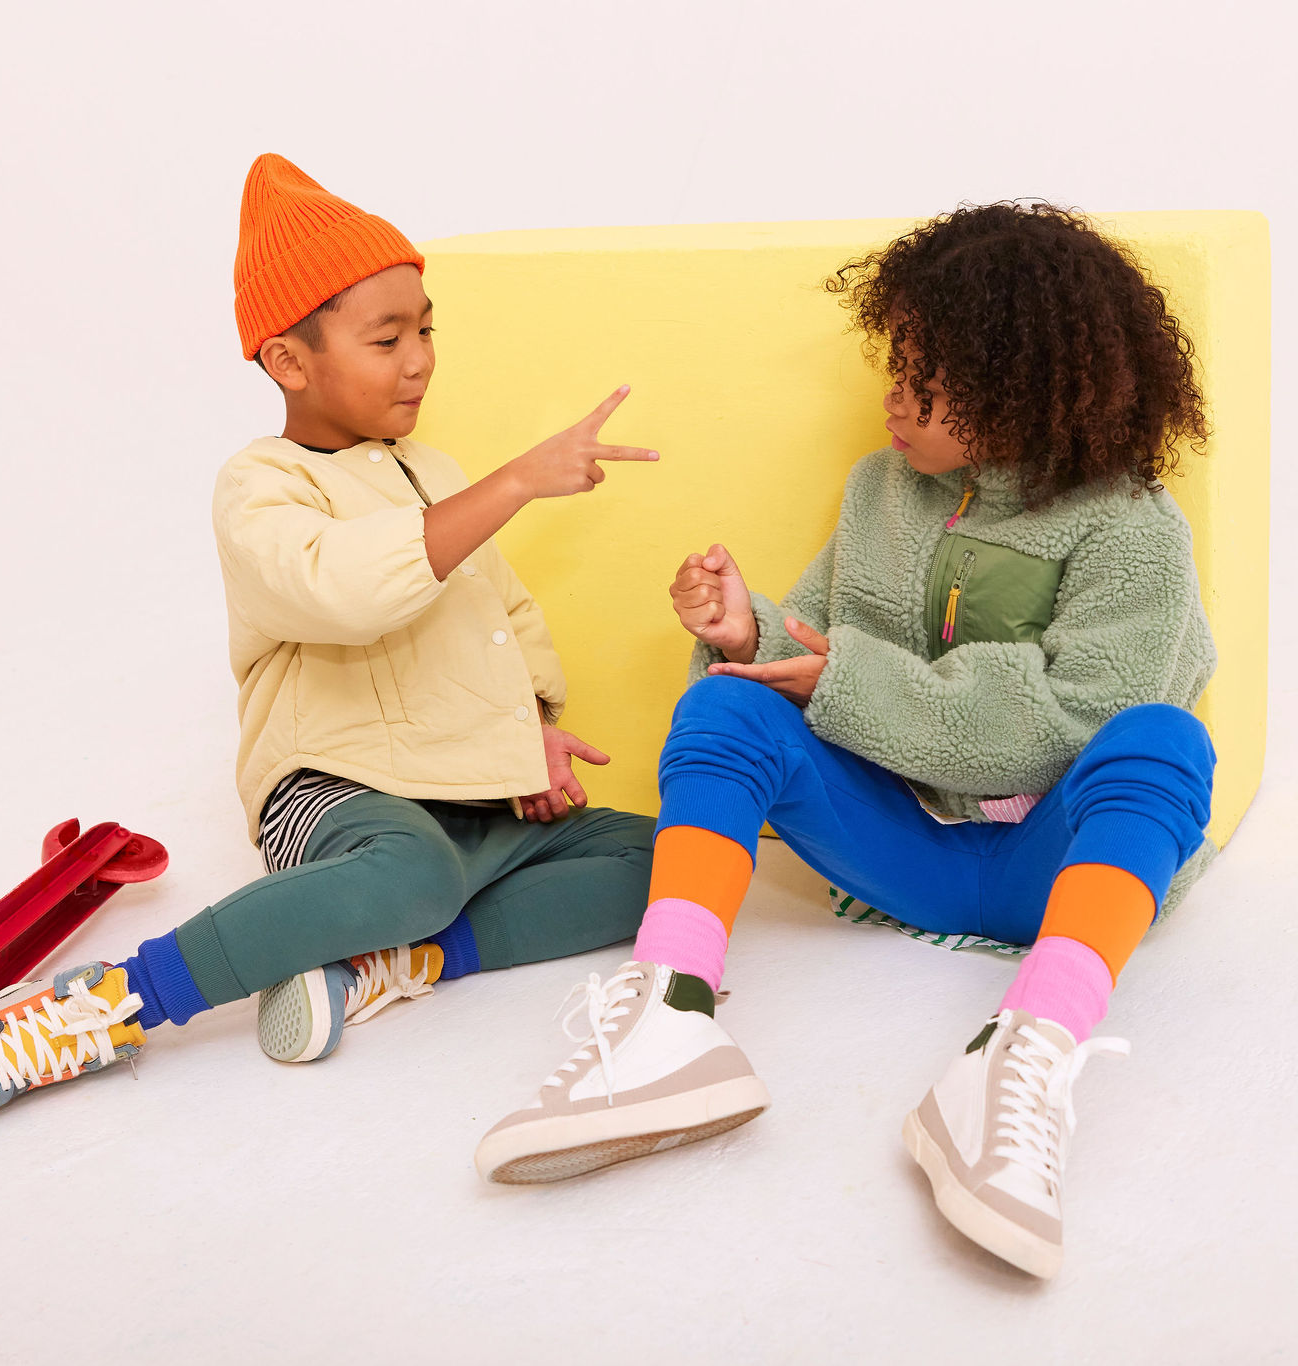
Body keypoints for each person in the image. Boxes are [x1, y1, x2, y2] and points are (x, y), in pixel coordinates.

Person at [476, 202, 1218, 1282]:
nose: (892, 400)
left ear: (1019, 390)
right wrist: (751, 636)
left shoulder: (1132, 527)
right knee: (724, 706)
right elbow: (820, 649)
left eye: (926, 381)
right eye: (895, 368)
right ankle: (671, 1016)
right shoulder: (880, 489)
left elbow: (1071, 722)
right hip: (899, 848)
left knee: (1164, 741)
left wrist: (847, 678)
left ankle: (1020, 1056)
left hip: (1053, 872)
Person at [0, 153, 661, 1141]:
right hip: (338, 788)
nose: (420, 359)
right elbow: (342, 590)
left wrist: (538, 730)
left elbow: (498, 614)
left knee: (663, 858)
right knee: (413, 872)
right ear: (290, 363)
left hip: (465, 788)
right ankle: (101, 1006)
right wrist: (512, 483)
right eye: (387, 338)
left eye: (426, 329)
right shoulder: (260, 484)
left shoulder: (435, 471)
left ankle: (397, 957)